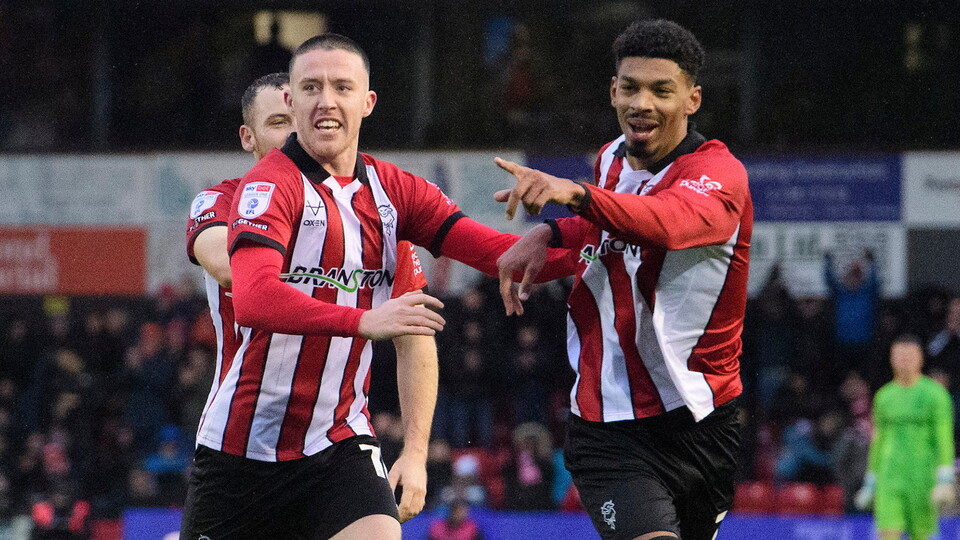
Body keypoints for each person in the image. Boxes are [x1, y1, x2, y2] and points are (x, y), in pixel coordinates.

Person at [184, 35, 571, 539]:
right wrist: (360, 313)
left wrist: (592, 224)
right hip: (240, 451)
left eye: (342, 87)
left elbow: (490, 266)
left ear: (366, 102)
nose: (322, 105)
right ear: (261, 128)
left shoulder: (391, 197)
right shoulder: (240, 198)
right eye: (287, 113)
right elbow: (246, 284)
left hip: (338, 442)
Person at [493, 20, 751, 540]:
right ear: (613, 91)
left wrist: (576, 196)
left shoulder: (720, 176)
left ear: (692, 99)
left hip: (705, 417)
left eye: (662, 90)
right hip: (609, 419)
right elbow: (605, 222)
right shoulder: (610, 158)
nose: (643, 103)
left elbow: (666, 222)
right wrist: (551, 232)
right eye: (630, 87)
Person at [181, 72, 436, 537]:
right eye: (277, 121)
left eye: (295, 118)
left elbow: (413, 333)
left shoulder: (376, 213)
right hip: (239, 446)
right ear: (248, 137)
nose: (292, 132)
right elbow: (228, 267)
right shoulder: (221, 201)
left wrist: (416, 453)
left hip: (338, 441)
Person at [854, 334, 956, 540]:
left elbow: (944, 438)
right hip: (889, 477)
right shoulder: (884, 396)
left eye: (909, 356)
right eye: (899, 356)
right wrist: (871, 480)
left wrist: (945, 477)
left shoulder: (936, 395)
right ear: (892, 359)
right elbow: (878, 440)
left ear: (920, 358)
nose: (904, 361)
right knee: (888, 533)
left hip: (923, 478)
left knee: (922, 535)